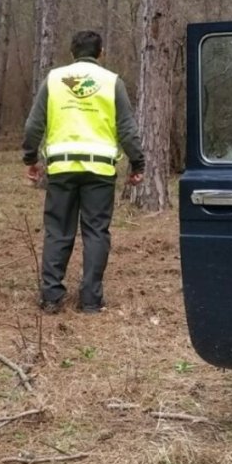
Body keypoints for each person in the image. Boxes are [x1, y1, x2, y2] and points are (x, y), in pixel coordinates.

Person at [22, 30, 145, 315]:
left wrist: (30, 158)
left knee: (57, 231)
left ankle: (51, 297)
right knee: (96, 232)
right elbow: (127, 129)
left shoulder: (53, 79)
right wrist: (137, 164)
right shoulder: (112, 82)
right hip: (99, 170)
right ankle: (90, 299)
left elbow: (33, 127)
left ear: (72, 53)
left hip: (62, 168)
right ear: (101, 53)